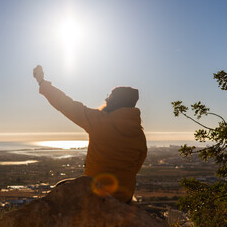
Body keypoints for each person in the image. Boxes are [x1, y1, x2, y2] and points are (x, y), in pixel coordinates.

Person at [33, 65, 147, 203]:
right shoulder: (139, 135)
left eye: (109, 97)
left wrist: (42, 82)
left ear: (116, 102)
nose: (106, 100)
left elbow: (65, 104)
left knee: (61, 187)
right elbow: (136, 166)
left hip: (97, 193)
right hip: (125, 196)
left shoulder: (99, 121)